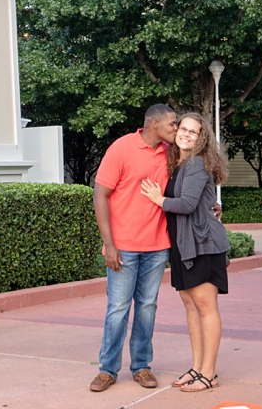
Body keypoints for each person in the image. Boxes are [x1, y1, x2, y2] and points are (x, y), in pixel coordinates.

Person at [89, 104, 178, 393]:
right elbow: (100, 196)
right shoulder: (122, 148)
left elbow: (183, 191)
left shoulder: (171, 153)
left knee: (147, 308)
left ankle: (141, 366)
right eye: (172, 125)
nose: (175, 129)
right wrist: (109, 244)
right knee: (117, 309)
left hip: (157, 247)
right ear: (153, 124)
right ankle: (107, 369)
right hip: (124, 247)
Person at [139, 112, 230, 393]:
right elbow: (202, 198)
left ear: (201, 138)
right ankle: (197, 367)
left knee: (205, 308)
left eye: (194, 132)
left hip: (202, 245)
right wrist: (213, 204)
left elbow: (188, 204)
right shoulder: (179, 163)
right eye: (184, 129)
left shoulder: (196, 163)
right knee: (191, 307)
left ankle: (209, 373)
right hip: (183, 244)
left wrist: (159, 199)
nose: (186, 134)